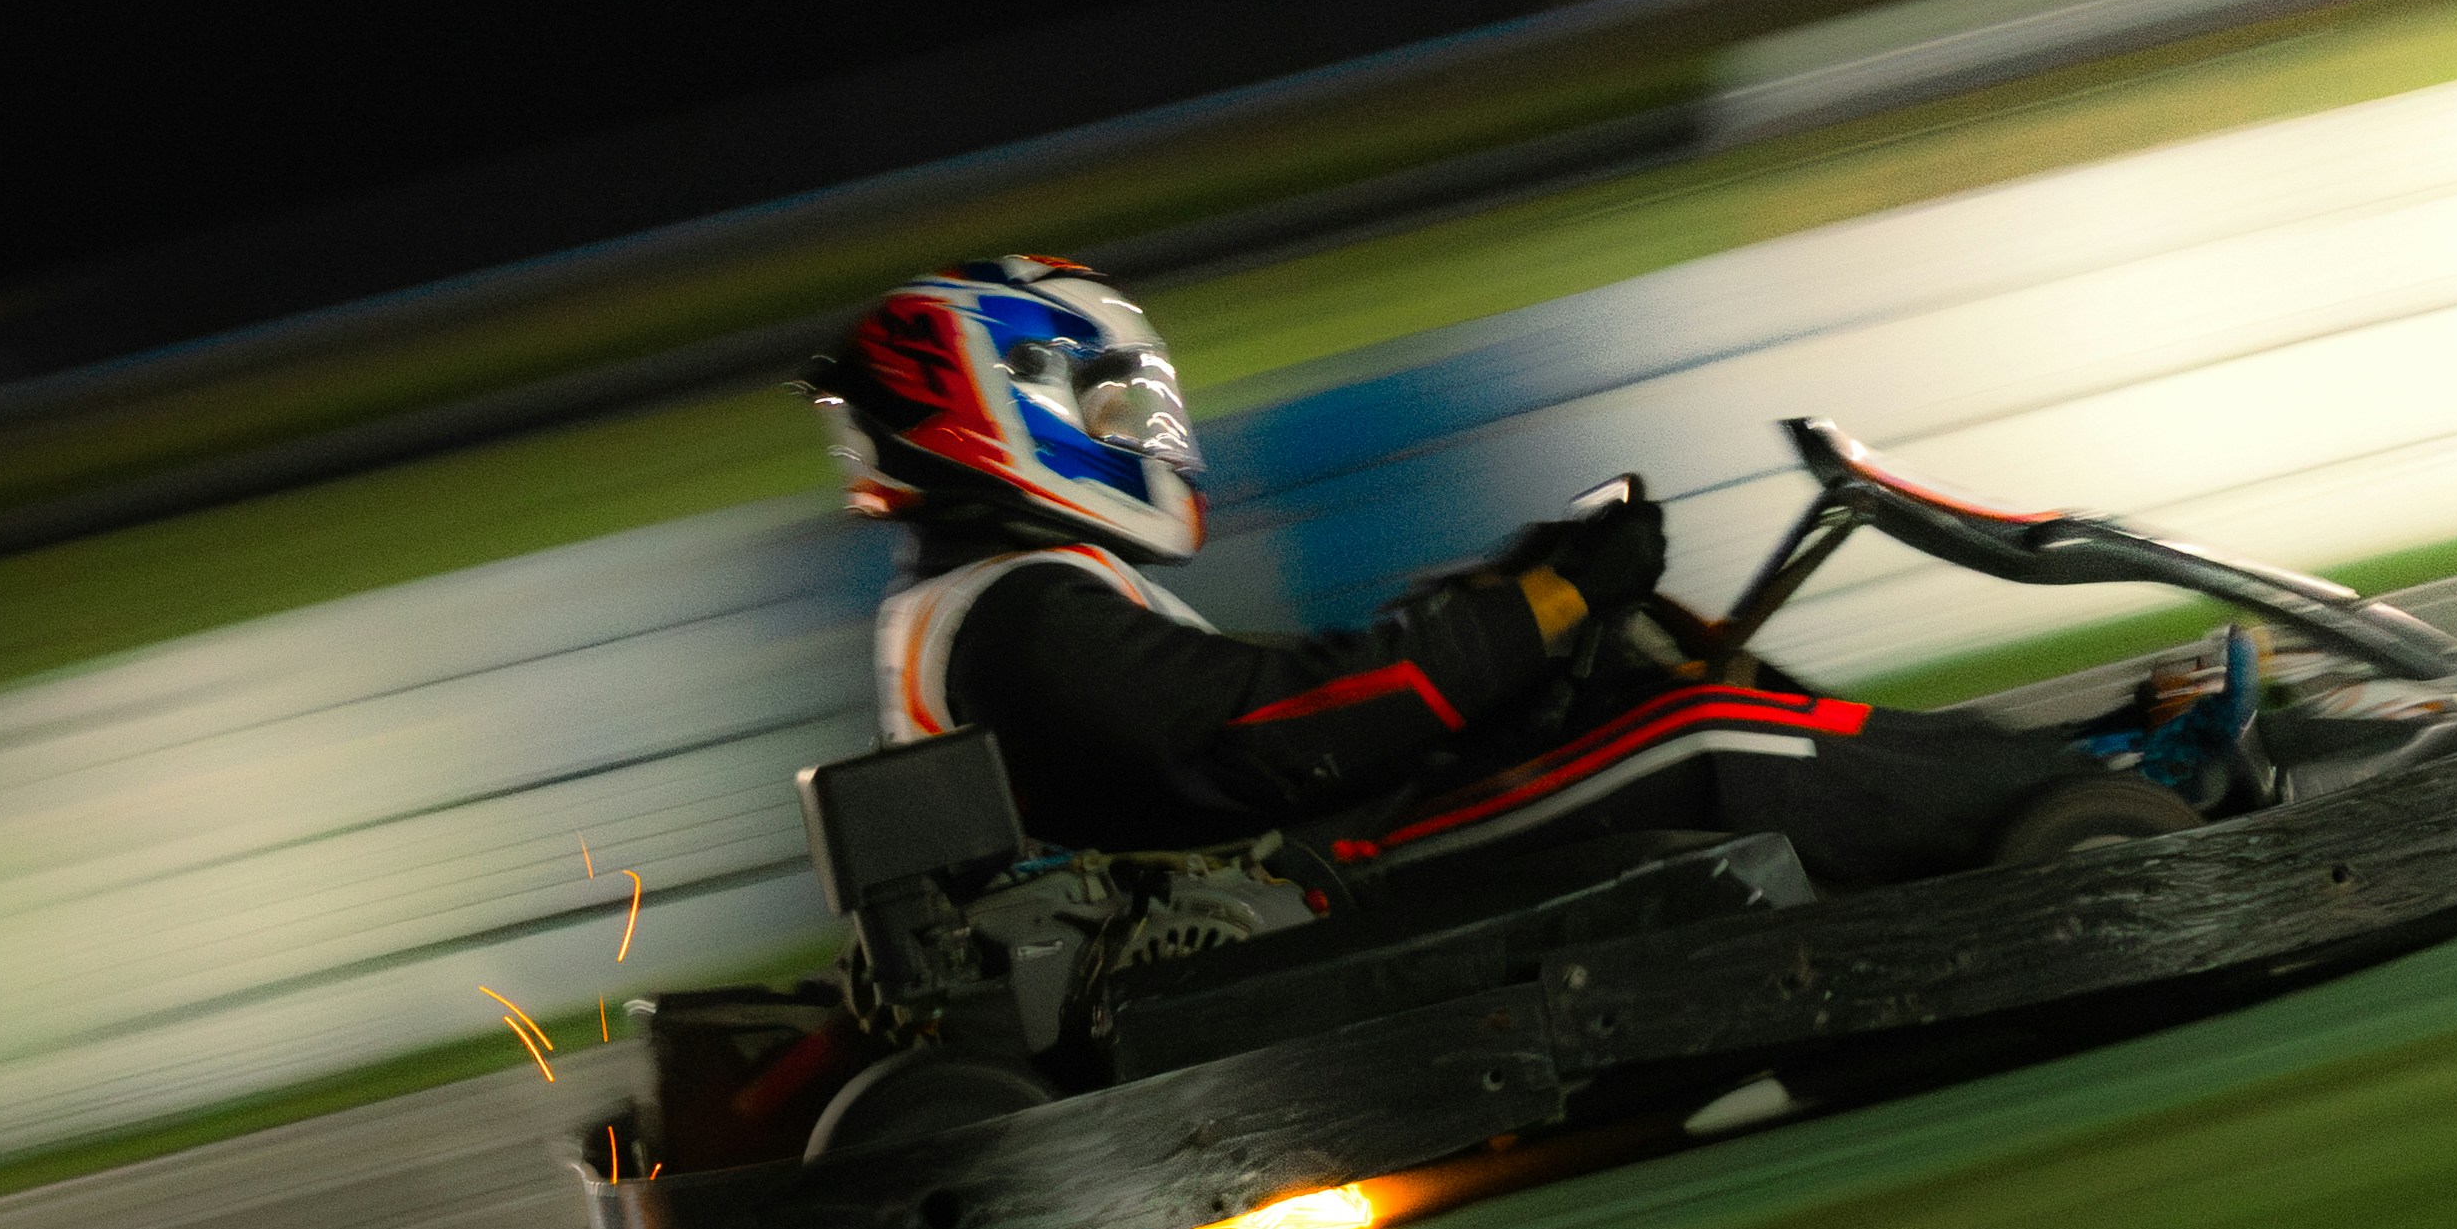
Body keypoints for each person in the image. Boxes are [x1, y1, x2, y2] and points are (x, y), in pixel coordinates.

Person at [802, 256, 2139, 892]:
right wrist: (1539, 605)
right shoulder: (1017, 617)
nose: (1136, 434)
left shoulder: (981, 605)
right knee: (1705, 733)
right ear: (992, 406)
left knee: (1619, 674)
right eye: (1099, 407)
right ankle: (2083, 826)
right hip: (1290, 898)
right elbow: (1269, 734)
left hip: (1264, 874)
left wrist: (1531, 609)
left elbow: (1271, 708)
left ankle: (2034, 781)